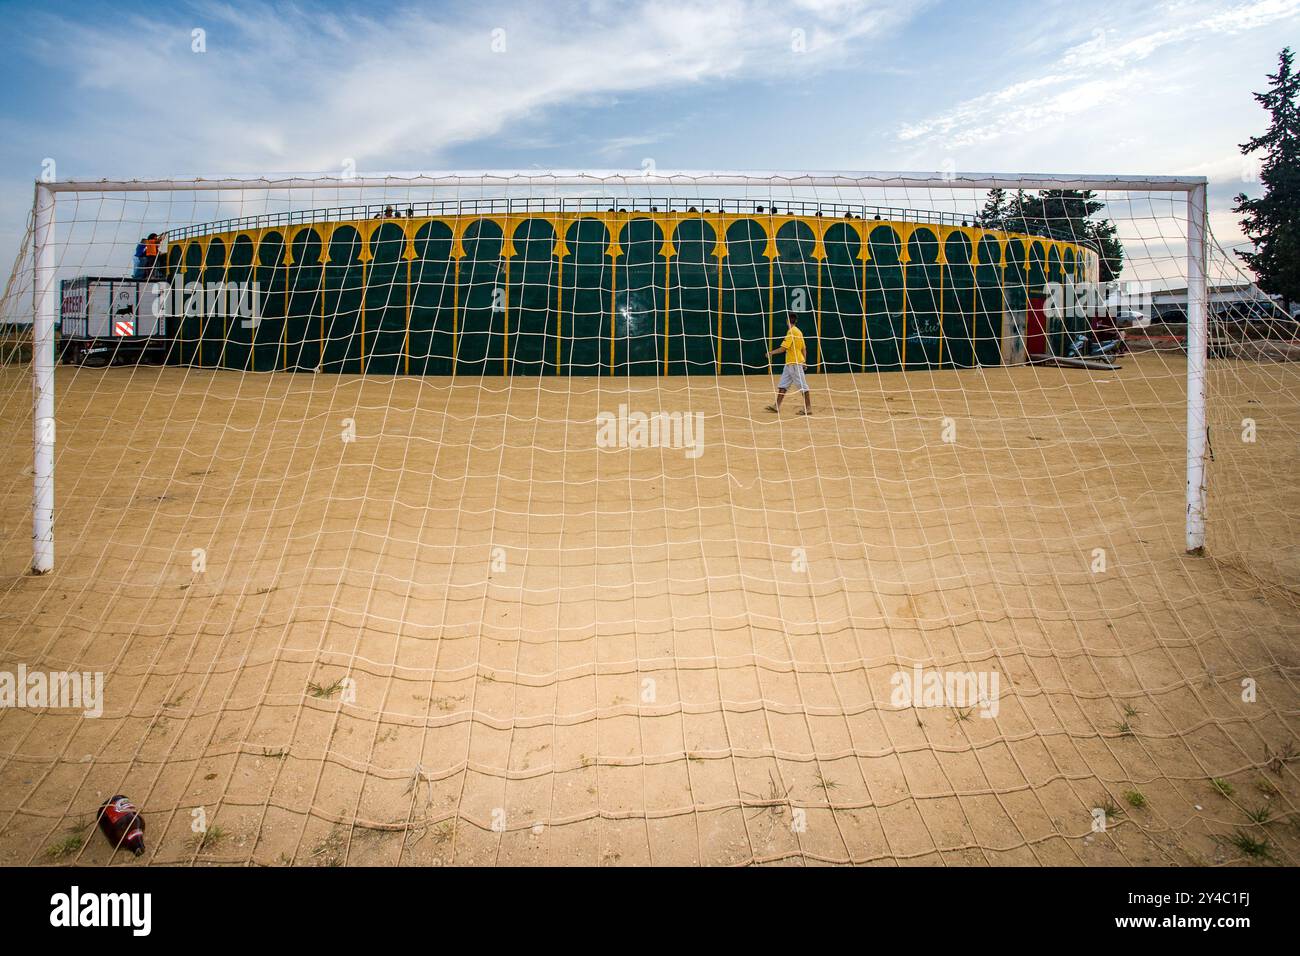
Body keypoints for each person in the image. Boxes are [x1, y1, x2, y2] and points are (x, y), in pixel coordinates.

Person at [765, 312, 812, 416]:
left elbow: (783, 348)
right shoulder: (799, 332)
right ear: (795, 321)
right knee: (783, 385)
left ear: (787, 321)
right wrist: (804, 361)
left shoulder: (791, 332)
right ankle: (776, 406)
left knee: (803, 386)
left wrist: (771, 353)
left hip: (794, 364)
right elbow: (804, 348)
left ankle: (808, 408)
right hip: (790, 364)